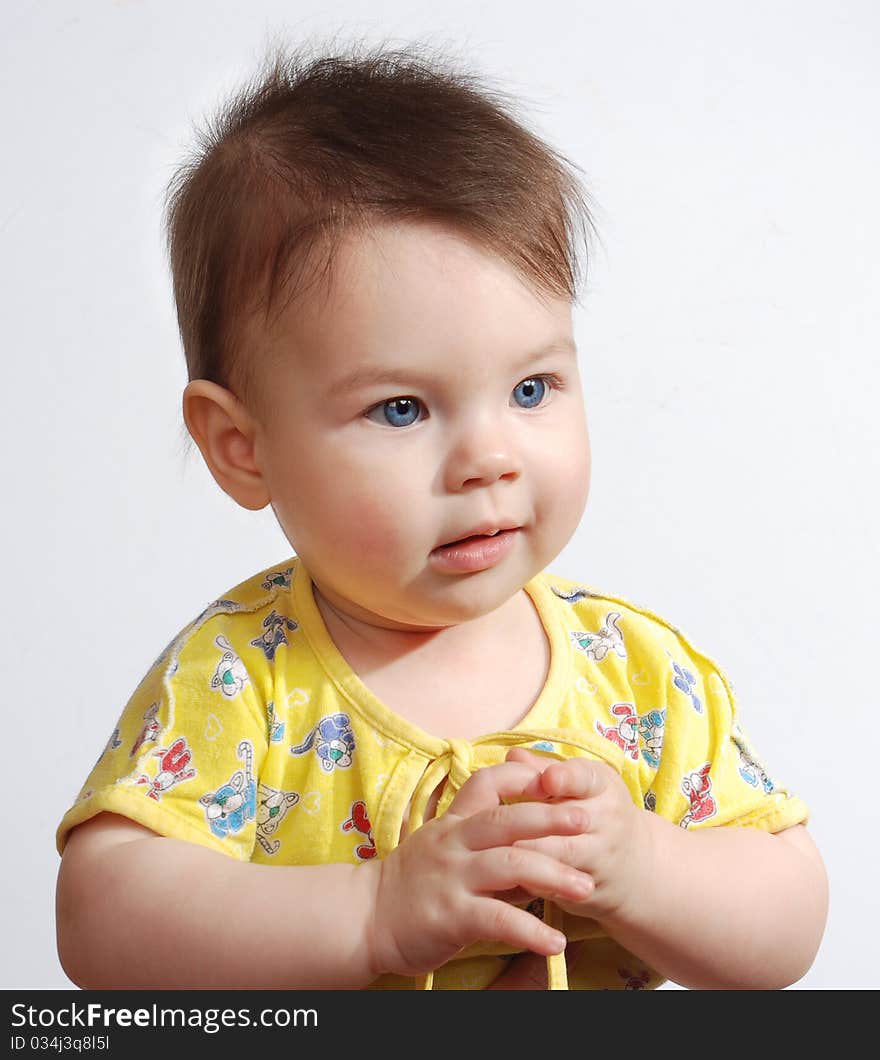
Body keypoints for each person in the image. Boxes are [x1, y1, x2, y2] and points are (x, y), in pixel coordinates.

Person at [54, 40, 828, 991]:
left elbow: (788, 921)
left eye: (534, 387)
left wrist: (645, 867)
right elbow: (102, 922)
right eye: (402, 409)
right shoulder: (243, 681)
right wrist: (372, 913)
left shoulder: (634, 676)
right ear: (240, 445)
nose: (489, 458)